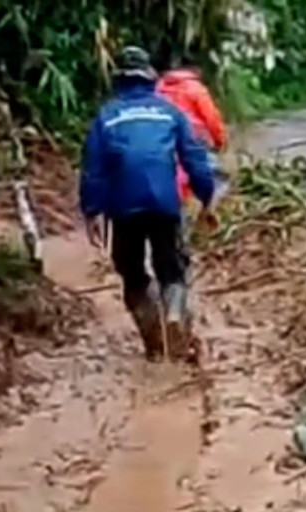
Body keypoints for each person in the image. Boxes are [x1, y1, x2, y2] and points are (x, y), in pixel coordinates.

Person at [79, 45, 217, 361]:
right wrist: (207, 197)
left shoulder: (107, 117)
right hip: (165, 204)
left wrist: (91, 212)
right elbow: (194, 158)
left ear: (119, 80)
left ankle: (154, 342)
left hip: (123, 209)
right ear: (150, 77)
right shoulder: (169, 112)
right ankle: (173, 316)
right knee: (173, 270)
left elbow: (94, 171)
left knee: (133, 275)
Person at [157, 54, 229, 211]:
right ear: (195, 70)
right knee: (219, 179)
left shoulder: (159, 87)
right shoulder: (196, 89)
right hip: (194, 142)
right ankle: (208, 212)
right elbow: (212, 118)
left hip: (163, 142)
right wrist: (220, 141)